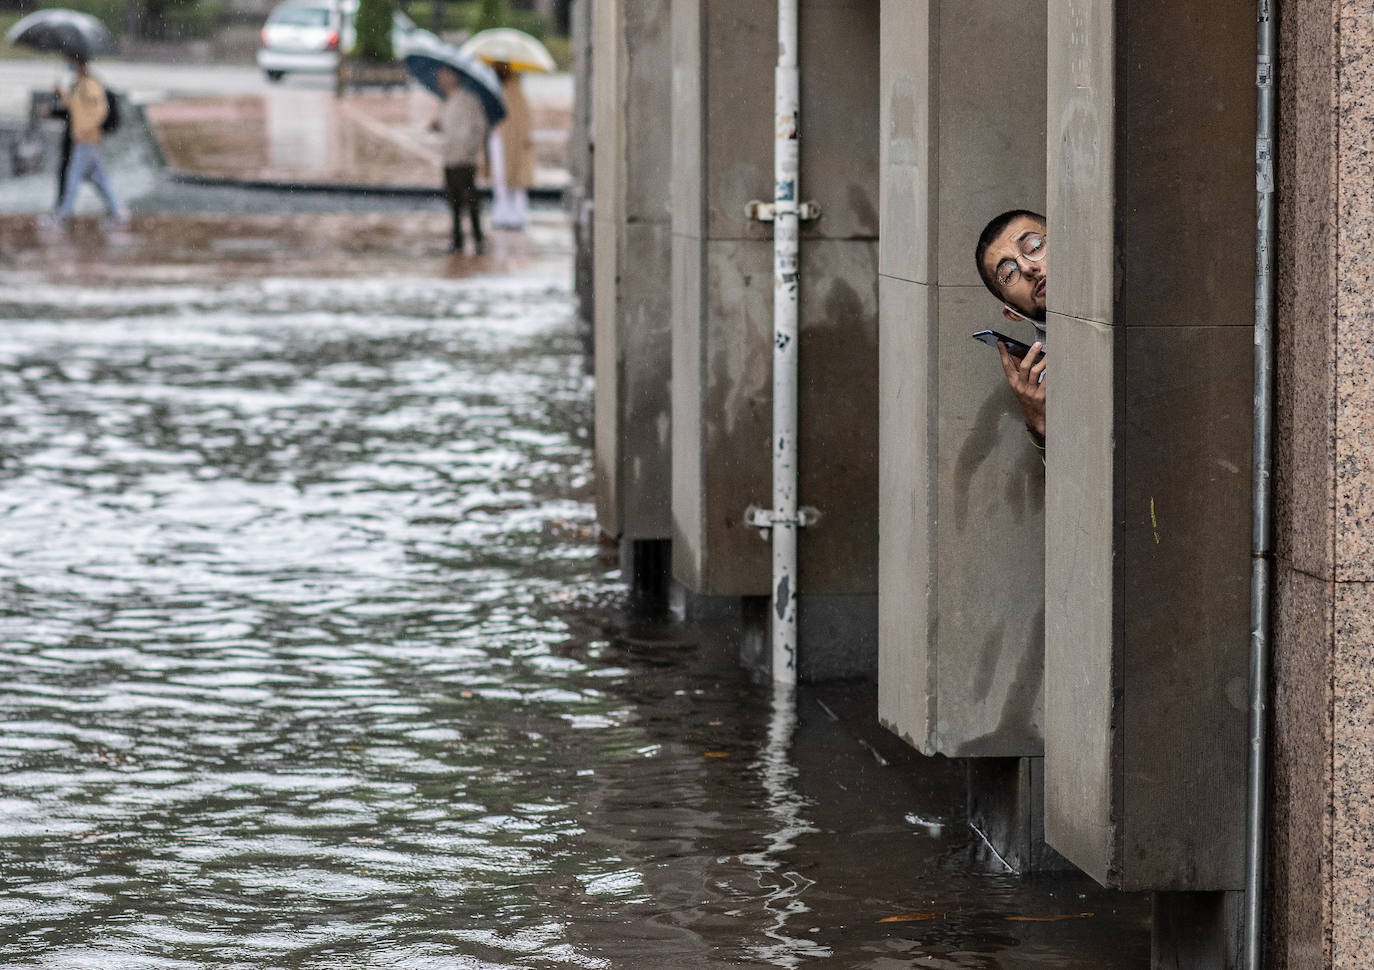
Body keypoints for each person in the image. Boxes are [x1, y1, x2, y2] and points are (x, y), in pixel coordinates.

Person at [974, 208, 1047, 452]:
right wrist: (1039, 426)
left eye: (1035, 246)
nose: (1027, 268)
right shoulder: (1043, 377)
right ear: (1011, 313)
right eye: (1008, 274)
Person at [48, 56, 126, 228]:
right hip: (85, 139)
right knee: (99, 179)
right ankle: (117, 212)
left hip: (87, 139)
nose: (70, 66)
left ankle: (62, 215)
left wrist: (85, 130)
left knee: (73, 177)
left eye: (73, 64)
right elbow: (75, 107)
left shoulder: (90, 84)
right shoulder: (80, 84)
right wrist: (60, 92)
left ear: (80, 65)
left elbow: (99, 110)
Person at [431, 67, 488, 254]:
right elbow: (445, 126)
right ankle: (457, 240)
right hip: (449, 157)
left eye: (445, 74)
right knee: (453, 201)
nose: (440, 78)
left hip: (464, 159)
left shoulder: (469, 100)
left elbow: (479, 127)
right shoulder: (445, 102)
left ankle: (478, 239)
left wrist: (470, 149)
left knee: (470, 200)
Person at [488, 60, 532, 230]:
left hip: (513, 142)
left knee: (516, 179)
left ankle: (518, 215)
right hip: (498, 139)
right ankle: (502, 214)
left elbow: (522, 117)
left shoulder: (515, 90)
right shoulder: (495, 88)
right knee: (500, 178)